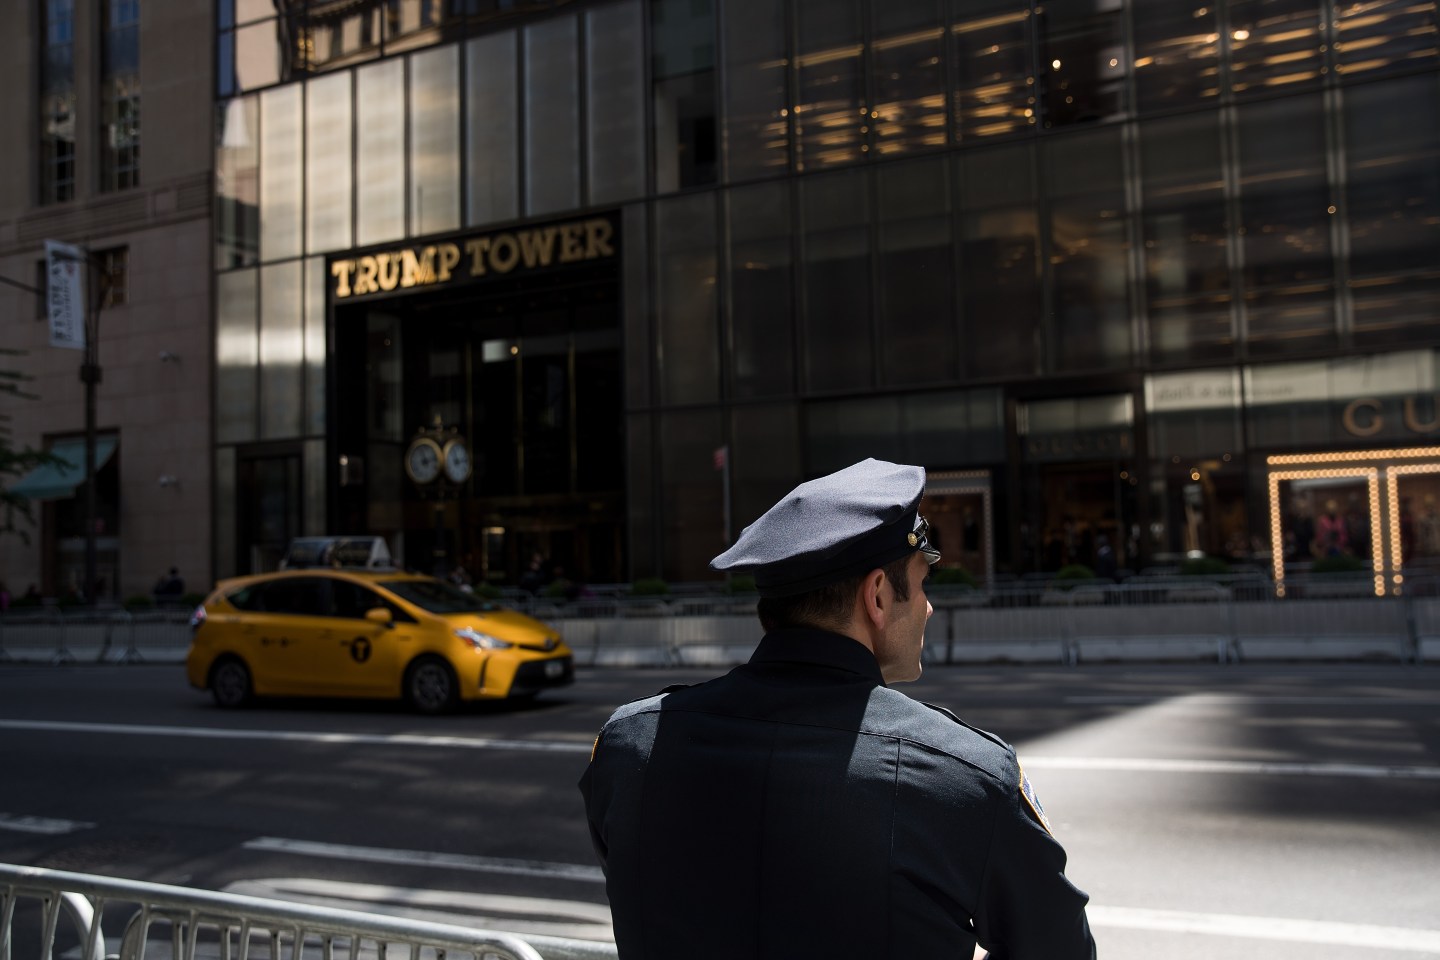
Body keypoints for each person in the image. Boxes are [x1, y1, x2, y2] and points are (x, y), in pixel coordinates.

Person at [579, 459, 1095, 959]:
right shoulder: (965, 778)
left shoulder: (629, 747)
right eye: (921, 584)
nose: (928, 607)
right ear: (877, 596)